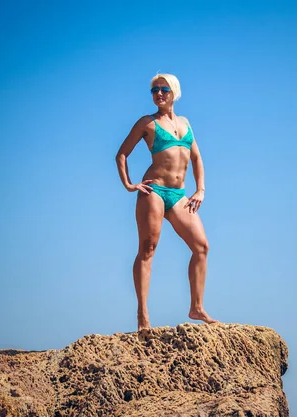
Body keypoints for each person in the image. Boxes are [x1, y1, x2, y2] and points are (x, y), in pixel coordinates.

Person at [116, 73, 218, 331]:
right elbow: (122, 154)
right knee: (148, 248)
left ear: (174, 92)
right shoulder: (147, 123)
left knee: (202, 247)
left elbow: (196, 158)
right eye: (154, 90)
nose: (158, 94)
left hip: (179, 195)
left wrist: (200, 190)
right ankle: (143, 315)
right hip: (154, 191)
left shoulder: (185, 123)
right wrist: (129, 184)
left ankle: (197, 307)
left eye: (163, 89)